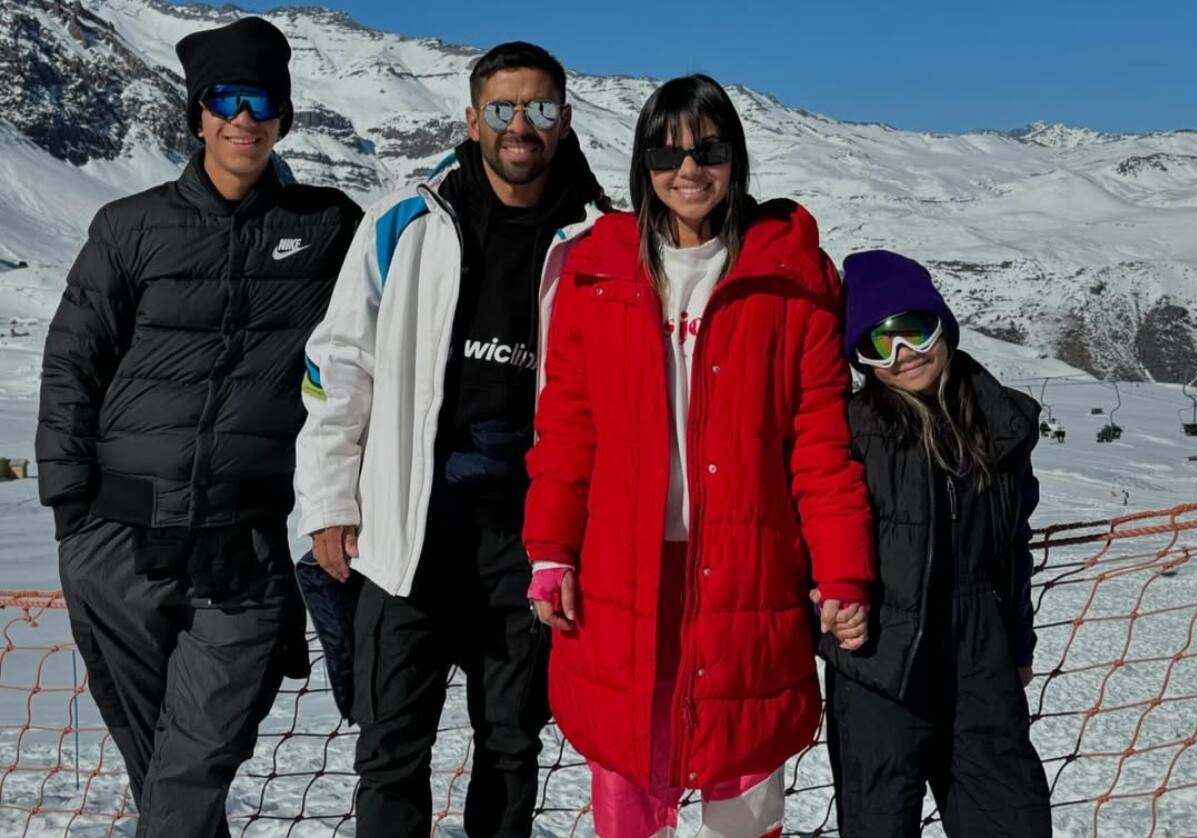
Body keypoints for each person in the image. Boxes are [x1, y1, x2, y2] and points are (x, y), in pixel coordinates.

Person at [523, 74, 874, 838]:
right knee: (628, 787)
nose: (688, 170)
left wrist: (842, 570)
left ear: (736, 159)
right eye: (667, 152)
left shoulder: (793, 279)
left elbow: (819, 444)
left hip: (747, 571)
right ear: (642, 166)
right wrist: (550, 550)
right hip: (623, 575)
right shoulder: (597, 273)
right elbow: (567, 428)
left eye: (709, 149)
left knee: (743, 785)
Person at [35, 17, 361, 837]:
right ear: (197, 113)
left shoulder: (329, 226)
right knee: (164, 772)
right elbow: (72, 363)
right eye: (226, 99)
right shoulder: (129, 224)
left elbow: (386, 333)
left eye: (262, 101)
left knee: (193, 762)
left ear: (284, 115)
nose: (243, 118)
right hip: (116, 542)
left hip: (241, 547)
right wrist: (72, 511)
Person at [294, 41, 608, 837]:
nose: (520, 127)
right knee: (391, 745)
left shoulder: (600, 240)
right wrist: (329, 501)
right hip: (409, 528)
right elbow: (339, 367)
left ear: (564, 122)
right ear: (472, 120)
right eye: (502, 109)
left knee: (510, 746)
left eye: (539, 110)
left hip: (529, 534)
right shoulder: (407, 222)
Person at [820, 250, 1052, 837]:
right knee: (880, 824)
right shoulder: (848, 433)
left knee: (1010, 819)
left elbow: (1012, 548)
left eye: (914, 332)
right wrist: (821, 601)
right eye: (879, 345)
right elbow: (810, 533)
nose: (904, 356)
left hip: (981, 661)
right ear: (861, 361)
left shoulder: (994, 424)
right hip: (878, 667)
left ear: (942, 325)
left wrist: (1017, 641)